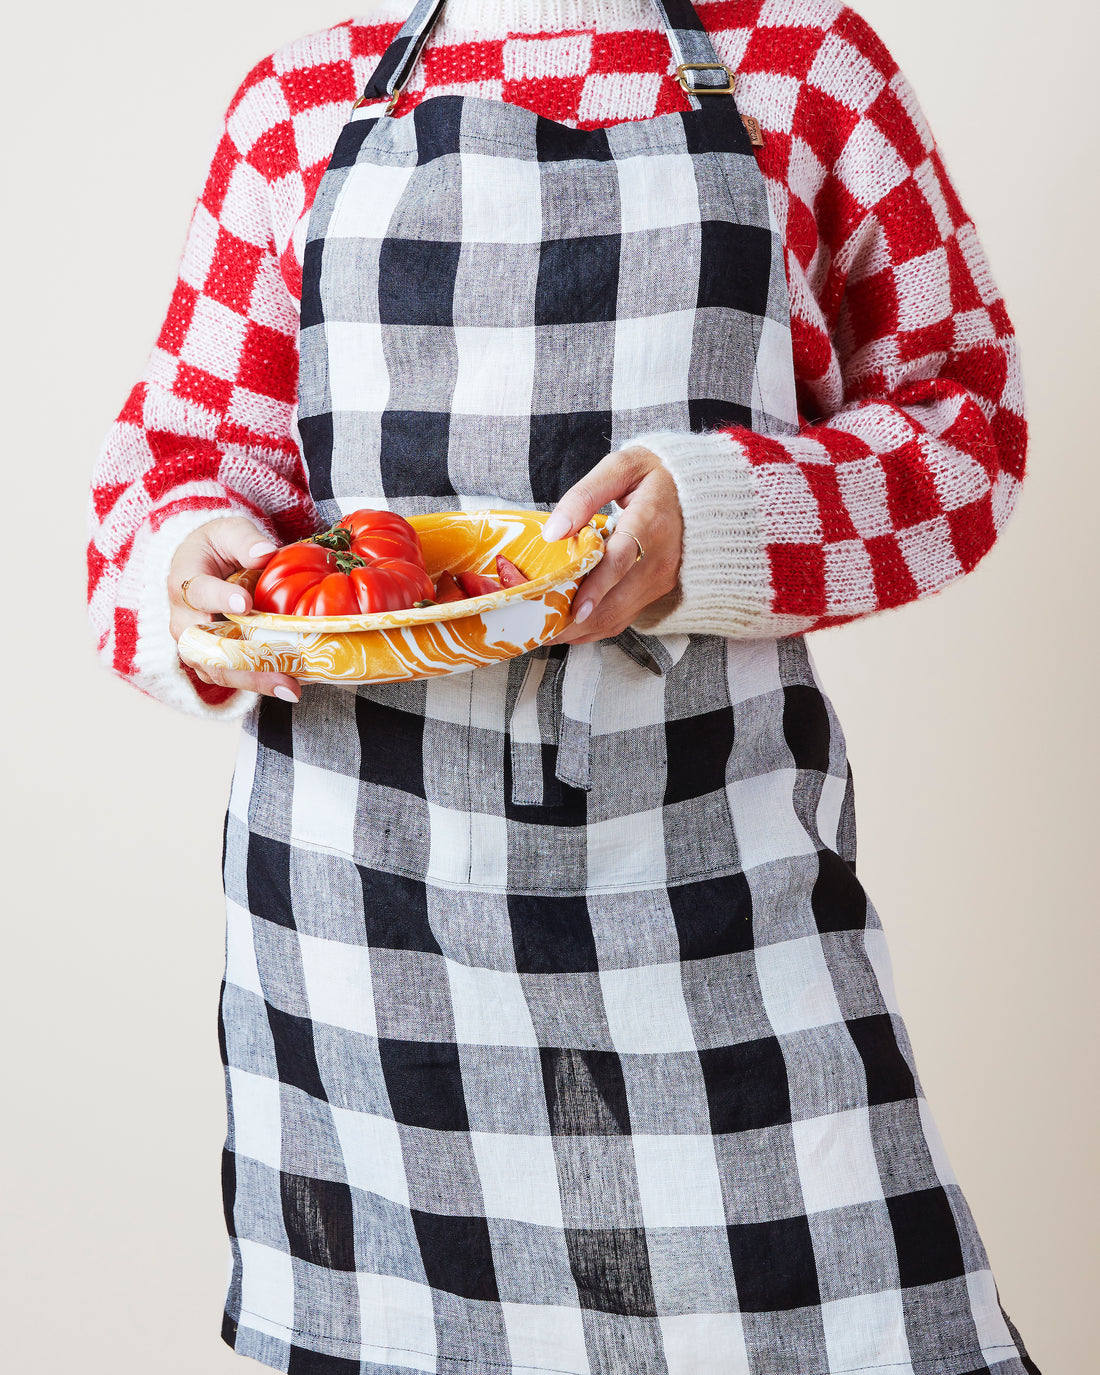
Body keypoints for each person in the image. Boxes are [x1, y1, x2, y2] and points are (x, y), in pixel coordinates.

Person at [86, 2, 1041, 1372]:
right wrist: (194, 566)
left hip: (714, 896)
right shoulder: (303, 94)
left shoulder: (803, 61)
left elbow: (968, 428)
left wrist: (710, 518)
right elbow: (174, 463)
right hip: (367, 931)